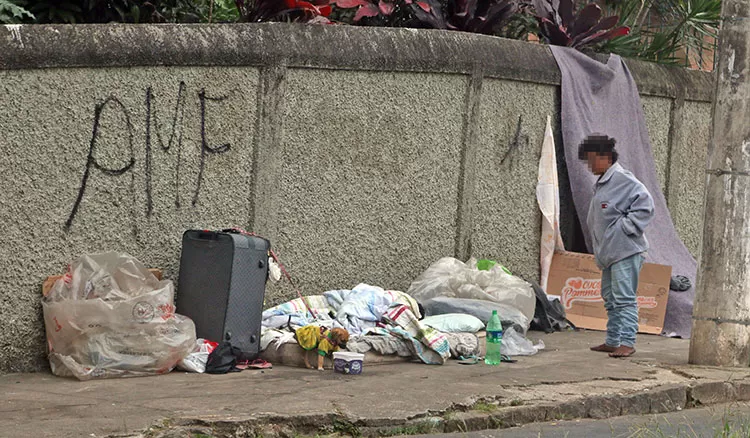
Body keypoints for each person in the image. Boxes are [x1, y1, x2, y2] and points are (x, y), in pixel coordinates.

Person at [579, 134, 655, 358]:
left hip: (626, 251)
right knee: (610, 297)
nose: (590, 165)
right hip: (610, 253)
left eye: (592, 159)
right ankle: (612, 340)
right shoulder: (603, 182)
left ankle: (627, 342)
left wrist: (625, 228)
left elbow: (646, 205)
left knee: (624, 298)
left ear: (606, 157)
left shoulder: (622, 179)